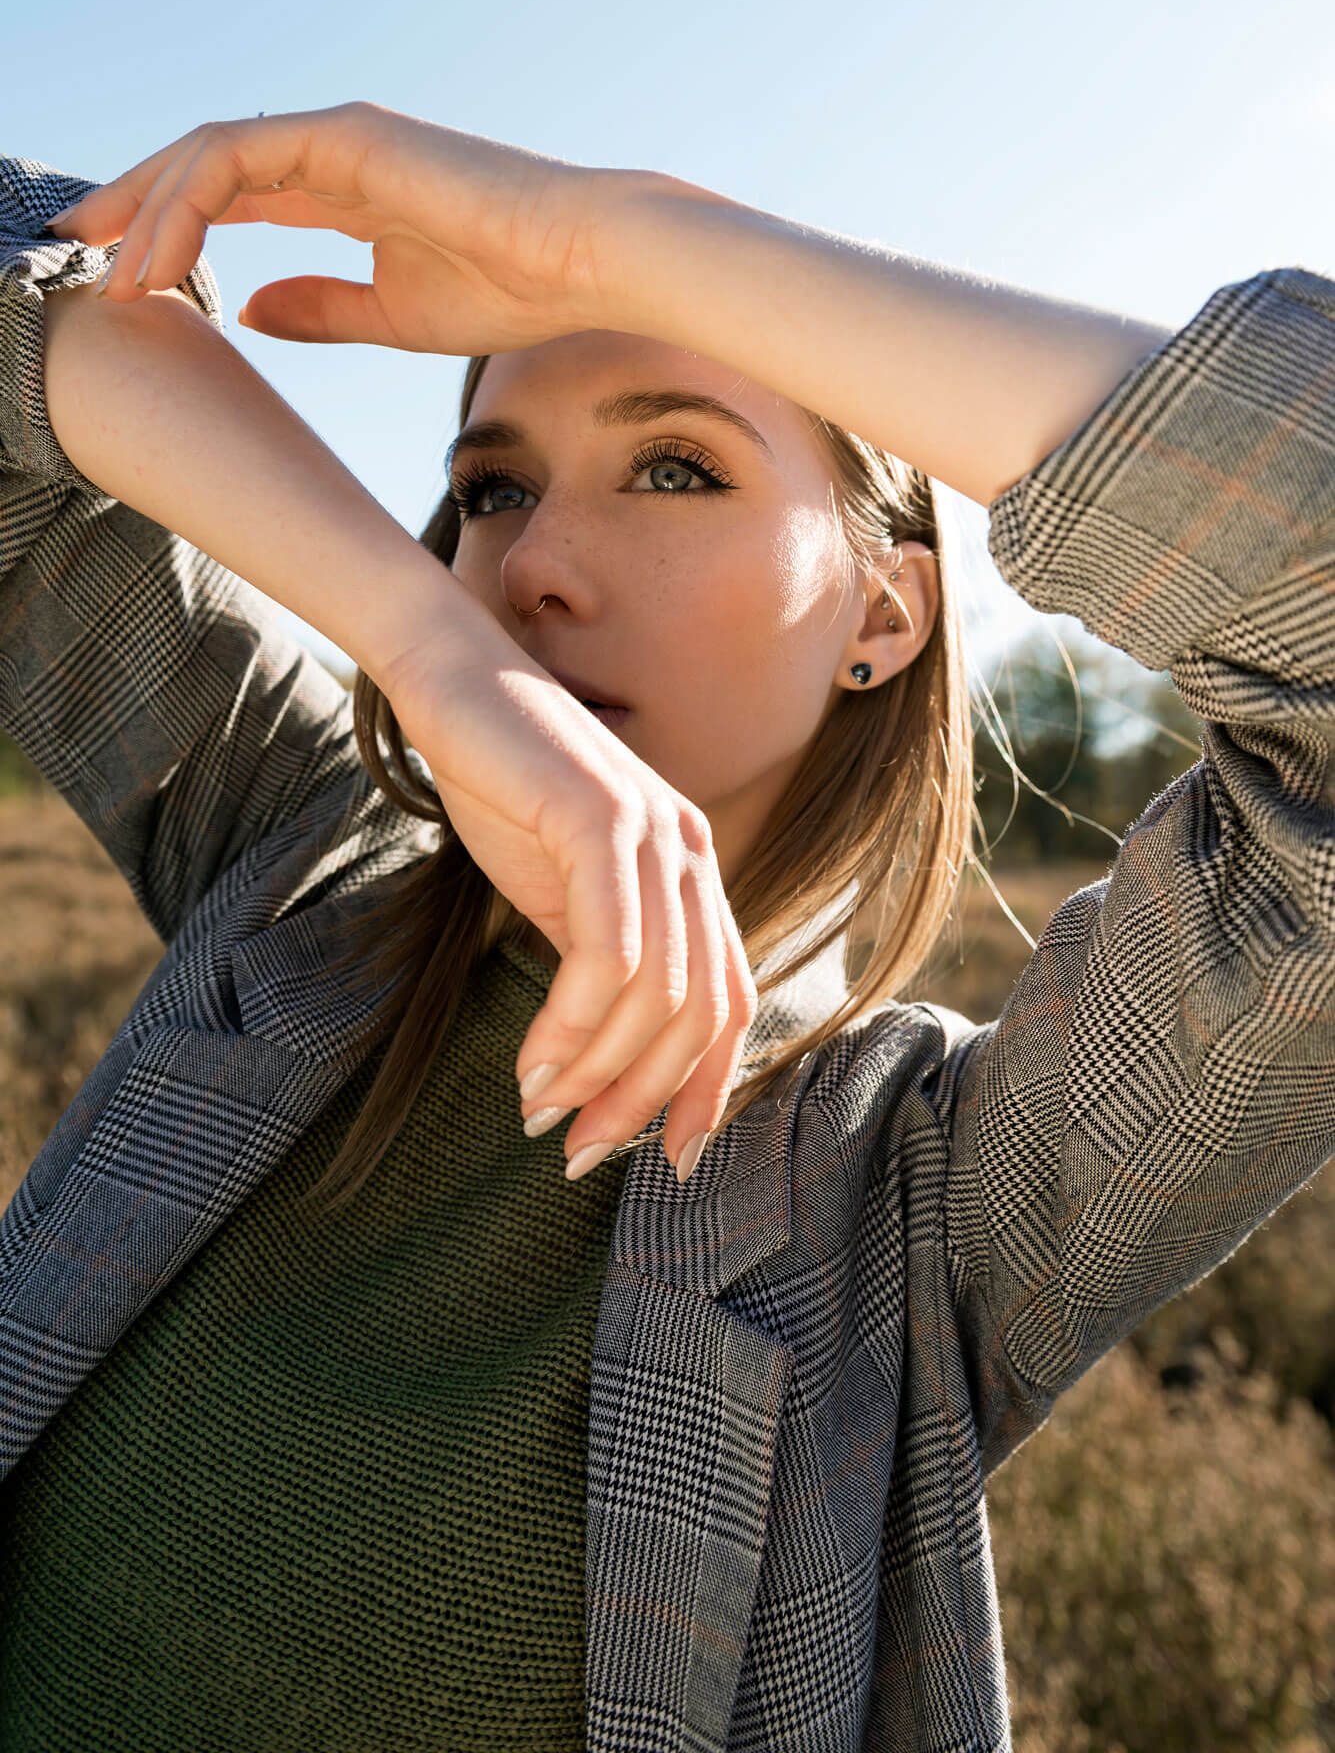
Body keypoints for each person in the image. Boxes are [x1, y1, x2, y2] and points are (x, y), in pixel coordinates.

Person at [0, 105, 1330, 1752]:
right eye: (491, 490)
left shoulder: (939, 1193)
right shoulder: (293, 858)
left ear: (886, 609)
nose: (537, 562)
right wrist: (426, 650)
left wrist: (612, 246)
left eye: (679, 465)